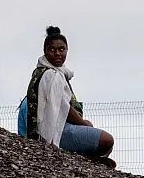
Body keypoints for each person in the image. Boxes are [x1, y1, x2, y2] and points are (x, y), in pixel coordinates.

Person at [17, 26, 116, 167]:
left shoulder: (48, 72)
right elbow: (64, 108)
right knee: (107, 140)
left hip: (56, 129)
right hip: (54, 133)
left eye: (62, 49)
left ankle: (84, 157)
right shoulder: (52, 75)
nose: (58, 53)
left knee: (93, 131)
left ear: (67, 50)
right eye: (52, 50)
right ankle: (85, 159)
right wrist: (83, 123)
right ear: (45, 51)